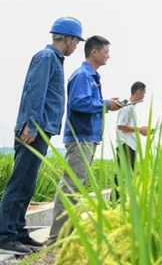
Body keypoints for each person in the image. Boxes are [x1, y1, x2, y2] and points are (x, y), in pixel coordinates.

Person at [0, 17, 84, 255]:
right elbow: (34, 93)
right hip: (33, 130)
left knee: (28, 183)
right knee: (19, 183)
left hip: (41, 129)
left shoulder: (54, 60)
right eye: (76, 41)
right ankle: (4, 234)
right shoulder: (47, 58)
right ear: (67, 38)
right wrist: (31, 125)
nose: (77, 46)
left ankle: (17, 231)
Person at [47, 35, 123, 244]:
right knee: (71, 185)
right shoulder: (83, 75)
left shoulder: (91, 76)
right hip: (80, 136)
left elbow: (88, 102)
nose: (108, 56)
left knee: (76, 186)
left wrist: (106, 103)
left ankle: (67, 234)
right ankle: (58, 237)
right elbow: (79, 103)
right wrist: (105, 104)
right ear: (94, 52)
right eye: (106, 52)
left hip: (88, 137)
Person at [112, 81, 148, 202]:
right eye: (144, 93)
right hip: (125, 146)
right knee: (122, 175)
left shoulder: (131, 108)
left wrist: (141, 129)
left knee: (126, 175)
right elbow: (121, 125)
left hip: (130, 146)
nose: (144, 96)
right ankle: (115, 201)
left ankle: (120, 201)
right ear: (138, 92)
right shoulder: (127, 107)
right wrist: (140, 129)